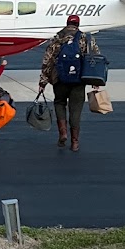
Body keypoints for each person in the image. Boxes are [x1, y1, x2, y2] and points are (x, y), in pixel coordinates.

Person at [38, 14, 99, 152]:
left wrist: (43, 82)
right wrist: (95, 81)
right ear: (78, 24)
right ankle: (75, 142)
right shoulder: (86, 38)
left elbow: (47, 61)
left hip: (59, 80)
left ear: (67, 23)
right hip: (78, 81)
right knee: (75, 110)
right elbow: (94, 59)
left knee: (59, 103)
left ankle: (63, 132)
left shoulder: (57, 38)